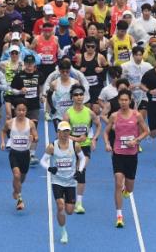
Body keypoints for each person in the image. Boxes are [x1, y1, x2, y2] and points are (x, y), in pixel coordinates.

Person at [103, 89, 149, 228]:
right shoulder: (114, 116)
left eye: (126, 100)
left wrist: (136, 140)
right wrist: (107, 144)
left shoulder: (137, 115)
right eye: (121, 100)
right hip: (118, 153)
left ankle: (126, 190)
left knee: (129, 188)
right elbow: (106, 132)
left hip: (132, 155)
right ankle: (119, 215)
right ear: (118, 101)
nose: (123, 102)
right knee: (118, 182)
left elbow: (146, 131)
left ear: (130, 101)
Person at [40, 120, 86, 244]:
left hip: (70, 181)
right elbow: (42, 161)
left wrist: (80, 170)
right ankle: (63, 232)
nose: (65, 133)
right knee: (60, 206)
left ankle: (66, 202)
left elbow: (82, 158)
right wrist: (50, 168)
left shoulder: (75, 145)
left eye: (67, 131)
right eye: (63, 131)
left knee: (69, 211)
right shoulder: (52, 147)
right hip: (57, 181)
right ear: (58, 132)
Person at [62, 84, 101, 214]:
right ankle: (67, 194)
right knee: (71, 172)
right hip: (71, 146)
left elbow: (98, 125)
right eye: (76, 95)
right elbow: (62, 133)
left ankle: (78, 203)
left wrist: (94, 139)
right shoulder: (68, 114)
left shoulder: (89, 112)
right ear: (72, 97)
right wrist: (76, 139)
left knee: (81, 171)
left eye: (81, 94)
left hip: (85, 147)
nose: (79, 97)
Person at [0, 99, 38, 211]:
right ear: (15, 111)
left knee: (21, 178)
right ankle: (20, 199)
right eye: (19, 110)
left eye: (23, 110)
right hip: (14, 153)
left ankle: (16, 190)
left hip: (25, 154)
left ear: (26, 111)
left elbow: (36, 137)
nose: (21, 112)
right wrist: (3, 142)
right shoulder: (10, 122)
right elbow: (3, 131)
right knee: (16, 175)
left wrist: (33, 138)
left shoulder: (30, 123)